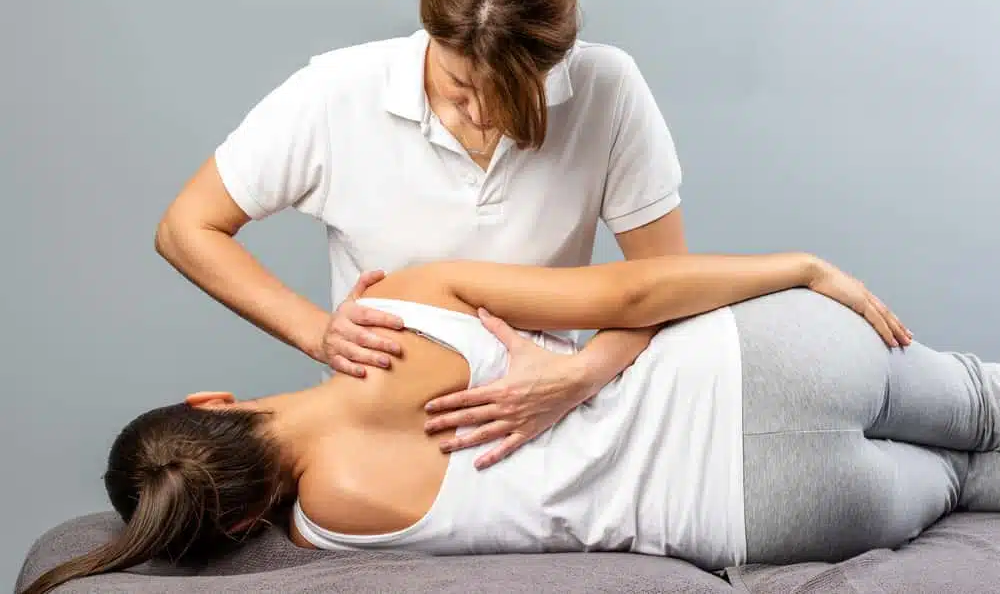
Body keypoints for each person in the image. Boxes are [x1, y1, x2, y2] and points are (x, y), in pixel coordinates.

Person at [154, 0, 790, 470]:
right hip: (392, 434)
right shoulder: (336, 93)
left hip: (555, 421)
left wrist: (577, 378)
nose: (483, 112)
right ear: (430, 32)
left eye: (514, 91)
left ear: (557, 59)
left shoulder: (607, 88)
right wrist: (316, 334)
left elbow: (663, 284)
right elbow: (188, 227)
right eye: (460, 83)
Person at [24, 251, 999, 594]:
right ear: (210, 401)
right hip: (764, 362)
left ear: (236, 525)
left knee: (968, 485)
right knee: (982, 402)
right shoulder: (401, 303)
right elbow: (635, 287)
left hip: (763, 510)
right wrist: (802, 267)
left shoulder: (327, 525)